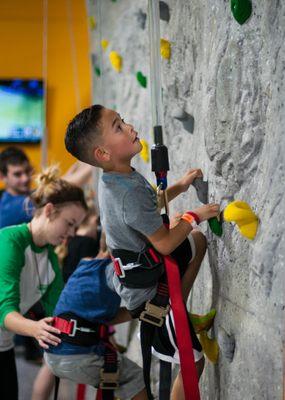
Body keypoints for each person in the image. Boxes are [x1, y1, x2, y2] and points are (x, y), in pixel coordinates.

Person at [64, 105, 220, 398]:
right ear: (103, 154)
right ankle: (173, 316)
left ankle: (179, 312)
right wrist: (193, 215)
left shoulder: (117, 178)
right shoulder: (125, 192)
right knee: (192, 361)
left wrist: (180, 186)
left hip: (148, 270)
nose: (130, 126)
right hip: (150, 298)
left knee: (197, 243)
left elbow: (149, 207)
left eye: (122, 120)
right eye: (118, 127)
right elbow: (164, 243)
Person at [0, 166, 88, 400]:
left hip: (4, 345)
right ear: (49, 210)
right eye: (69, 223)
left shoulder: (49, 257)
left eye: (76, 227)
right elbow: (4, 311)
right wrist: (36, 329)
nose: (71, 233)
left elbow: (60, 311)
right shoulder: (11, 241)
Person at [45, 245, 147, 400]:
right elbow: (137, 287)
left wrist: (138, 311)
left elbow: (106, 318)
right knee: (134, 378)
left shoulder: (84, 268)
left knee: (119, 380)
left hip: (57, 353)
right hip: (76, 354)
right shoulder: (110, 270)